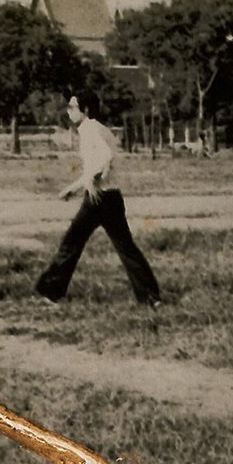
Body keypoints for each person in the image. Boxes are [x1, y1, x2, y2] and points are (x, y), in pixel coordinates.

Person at [33, 88, 165, 308]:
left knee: (71, 243)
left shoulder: (89, 129)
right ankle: (151, 297)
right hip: (112, 196)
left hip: (98, 198)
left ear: (84, 109)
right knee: (126, 247)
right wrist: (76, 187)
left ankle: (51, 293)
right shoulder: (102, 128)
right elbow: (107, 158)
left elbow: (106, 157)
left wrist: (89, 181)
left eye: (72, 107)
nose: (69, 111)